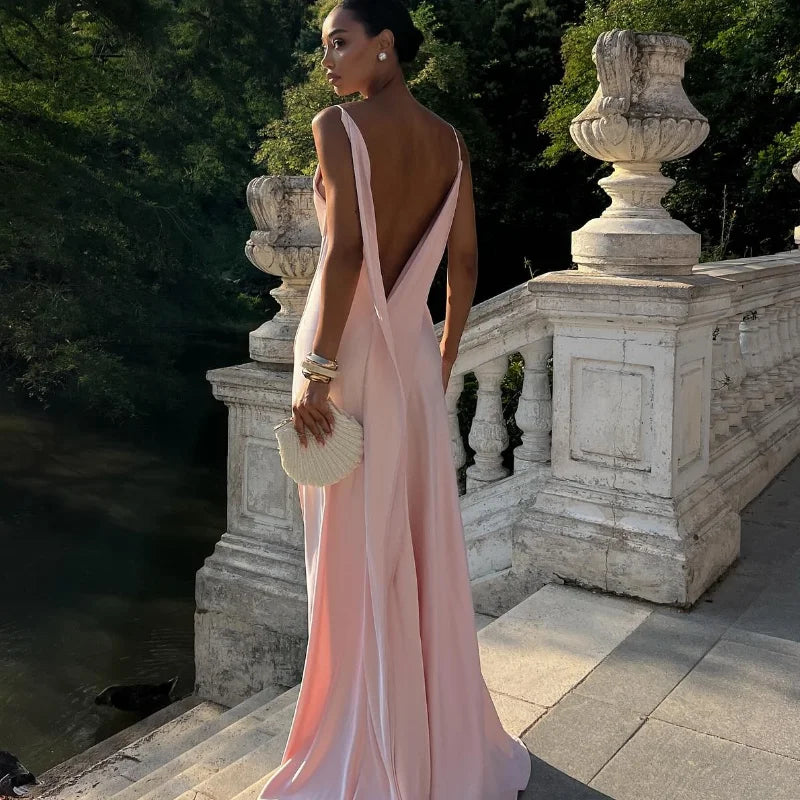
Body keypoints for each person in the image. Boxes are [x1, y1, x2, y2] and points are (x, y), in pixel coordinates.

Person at [258, 1, 532, 797]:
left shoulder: (336, 129)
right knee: (413, 537)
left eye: (340, 43)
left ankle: (366, 740)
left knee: (349, 550)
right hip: (409, 356)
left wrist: (314, 372)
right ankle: (432, 735)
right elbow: (468, 266)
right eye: (323, 47)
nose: (328, 61)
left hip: (344, 355)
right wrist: (440, 359)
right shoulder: (449, 141)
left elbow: (344, 252)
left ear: (385, 47)